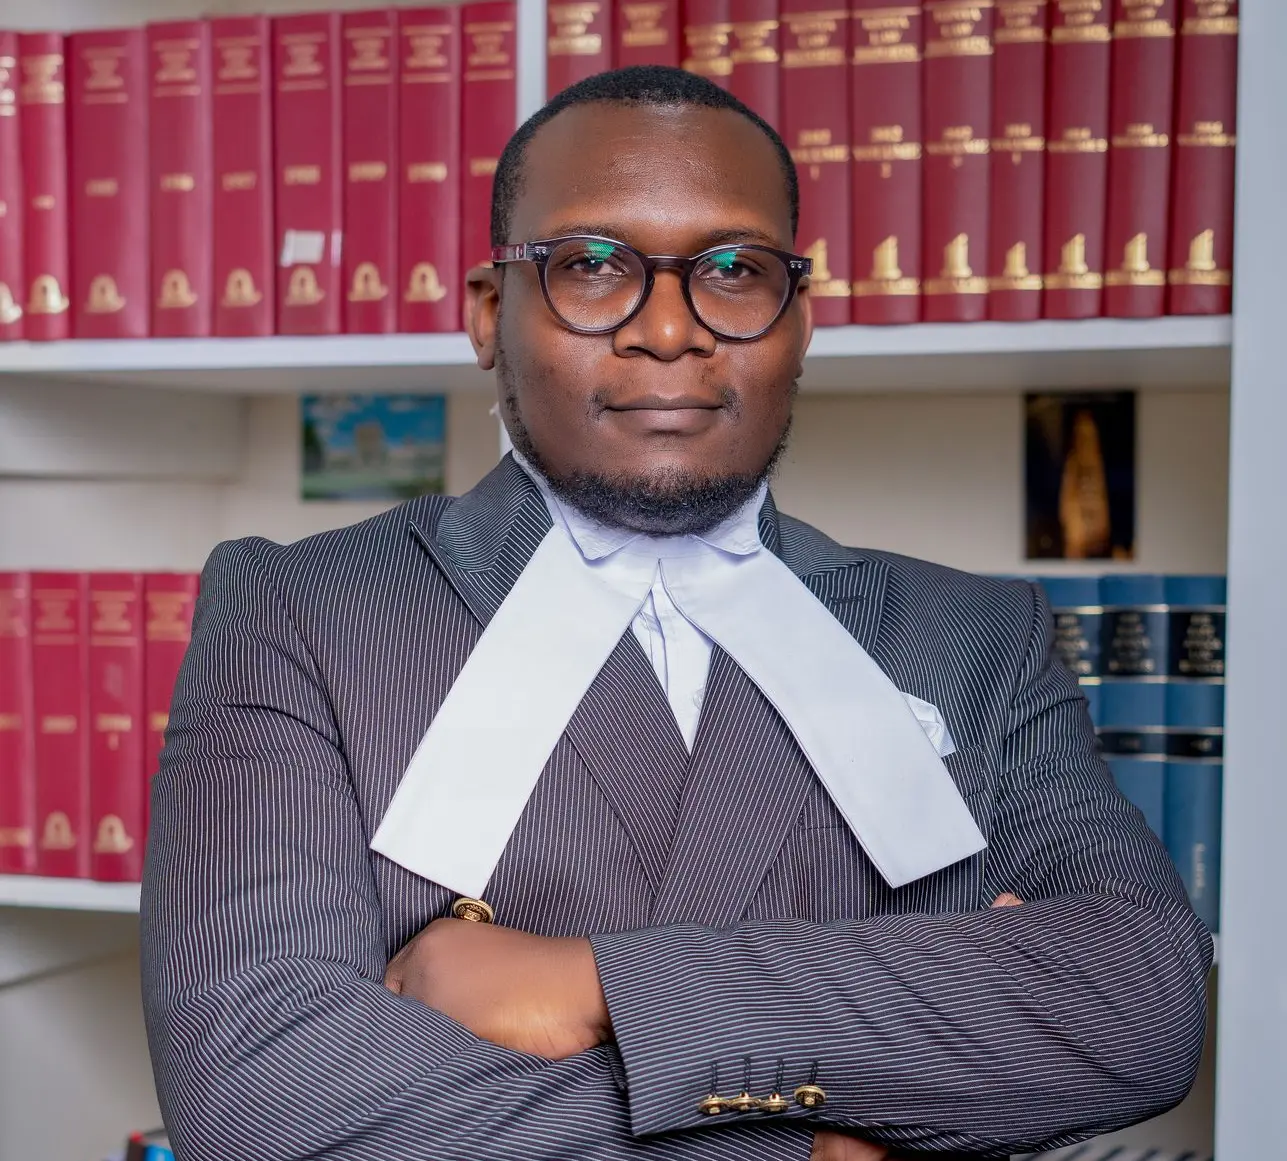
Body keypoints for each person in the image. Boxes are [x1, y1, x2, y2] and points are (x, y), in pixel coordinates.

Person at [140, 67, 1211, 1161]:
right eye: (592, 266)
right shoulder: (302, 614)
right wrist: (814, 1140)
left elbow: (1138, 1004)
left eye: (734, 271)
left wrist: (593, 984)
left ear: (800, 321)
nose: (667, 330)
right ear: (487, 314)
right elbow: (263, 1093)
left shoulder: (974, 636)